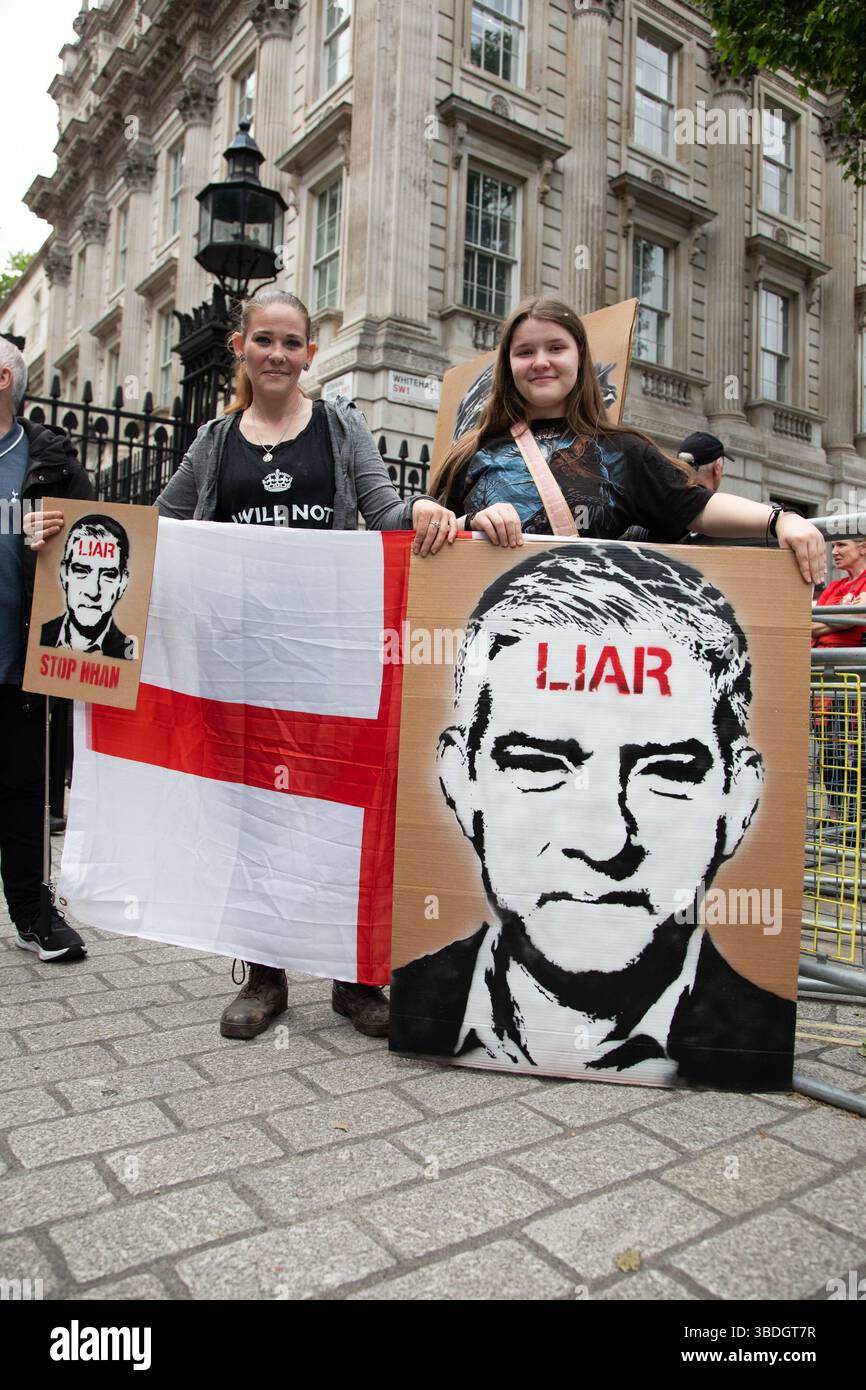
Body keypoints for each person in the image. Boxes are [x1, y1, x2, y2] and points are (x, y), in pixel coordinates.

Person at [154, 286, 457, 1041]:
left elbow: (384, 511)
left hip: (329, 659)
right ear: (241, 348)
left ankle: (357, 980)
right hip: (241, 664)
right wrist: (74, 531)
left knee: (343, 815)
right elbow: (159, 526)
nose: (278, 355)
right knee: (254, 818)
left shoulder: (341, 425)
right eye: (265, 340)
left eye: (292, 343)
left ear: (309, 354)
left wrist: (421, 511)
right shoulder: (215, 441)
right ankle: (264, 976)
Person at [390, 543, 795, 1089]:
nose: (605, 840)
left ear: (739, 798)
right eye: (539, 765)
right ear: (461, 782)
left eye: (668, 772)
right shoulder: (416, 999)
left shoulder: (760, 1039)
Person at [431, 295, 825, 586]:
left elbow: (693, 506)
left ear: (580, 358)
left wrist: (780, 519)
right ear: (508, 365)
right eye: (524, 351)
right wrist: (470, 524)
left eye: (555, 348)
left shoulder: (622, 451)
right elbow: (425, 544)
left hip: (587, 659)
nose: (540, 362)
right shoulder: (469, 454)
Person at [0, 337, 91, 961]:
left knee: (24, 789)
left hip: (18, 654)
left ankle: (33, 915)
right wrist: (15, 522)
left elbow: (99, 529)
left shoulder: (47, 453)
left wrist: (52, 524)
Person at [811, 538, 866, 823]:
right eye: (833, 547)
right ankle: (840, 815)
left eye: (842, 545)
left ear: (864, 547)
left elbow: (859, 616)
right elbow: (809, 622)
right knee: (829, 749)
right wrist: (841, 619)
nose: (834, 552)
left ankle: (859, 818)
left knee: (857, 751)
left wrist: (824, 624)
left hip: (854, 680)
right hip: (826, 681)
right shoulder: (834, 587)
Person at [40, 514, 133, 658]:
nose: (93, 591)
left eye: (108, 575)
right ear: (64, 574)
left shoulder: (130, 654)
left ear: (123, 582)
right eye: (82, 571)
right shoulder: (36, 637)